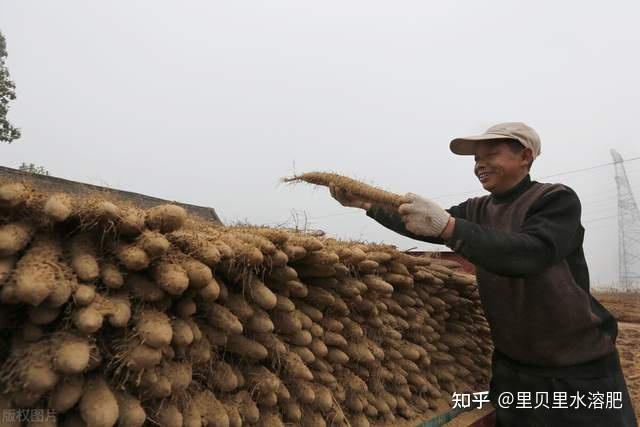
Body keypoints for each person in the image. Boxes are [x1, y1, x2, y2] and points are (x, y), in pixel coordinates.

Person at [330, 122, 637, 426]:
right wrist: (368, 205)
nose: (480, 165)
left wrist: (449, 227)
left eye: (491, 155)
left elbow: (531, 253)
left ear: (525, 157)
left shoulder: (555, 200)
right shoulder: (476, 209)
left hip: (577, 367)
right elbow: (424, 225)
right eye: (476, 159)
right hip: (513, 368)